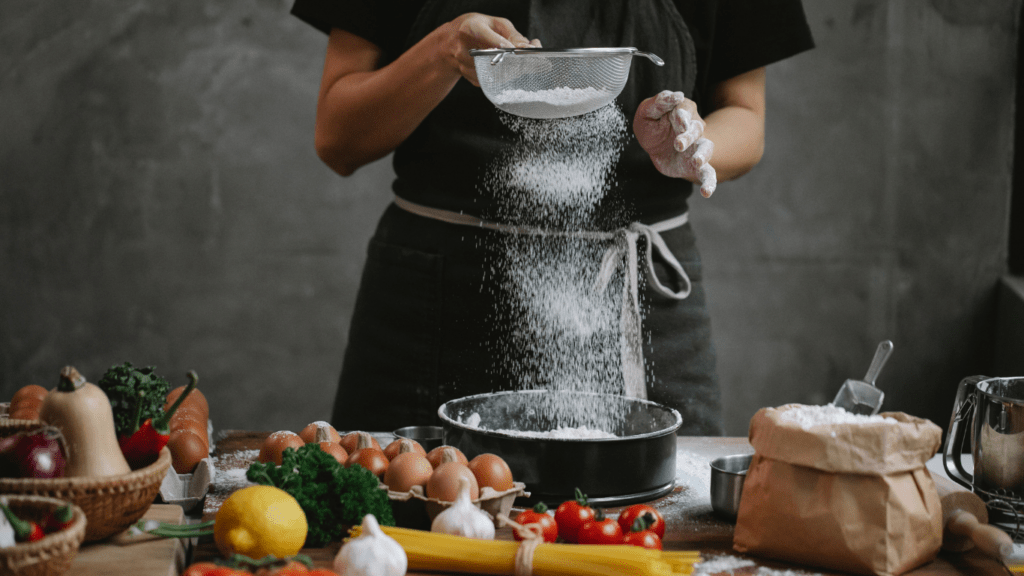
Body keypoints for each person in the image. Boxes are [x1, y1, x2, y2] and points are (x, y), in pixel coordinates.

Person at [291, 0, 814, 435]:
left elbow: (746, 115)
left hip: (641, 297)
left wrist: (691, 144)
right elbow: (339, 139)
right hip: (438, 298)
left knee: (657, 536)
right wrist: (442, 52)